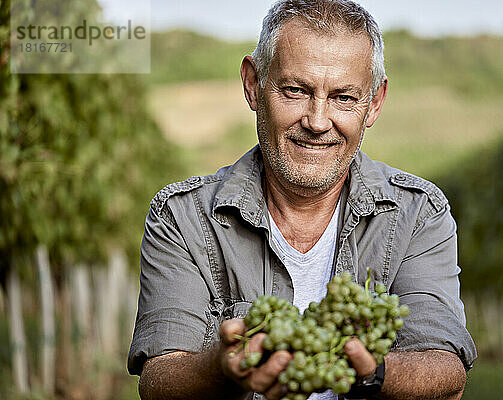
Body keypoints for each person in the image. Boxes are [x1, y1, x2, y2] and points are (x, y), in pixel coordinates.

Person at [127, 0, 477, 399]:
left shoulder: (418, 214)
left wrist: (373, 371)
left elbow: (446, 368)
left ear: (375, 103)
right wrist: (222, 368)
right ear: (253, 84)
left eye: (344, 97)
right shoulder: (183, 216)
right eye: (296, 91)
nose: (316, 121)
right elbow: (159, 380)